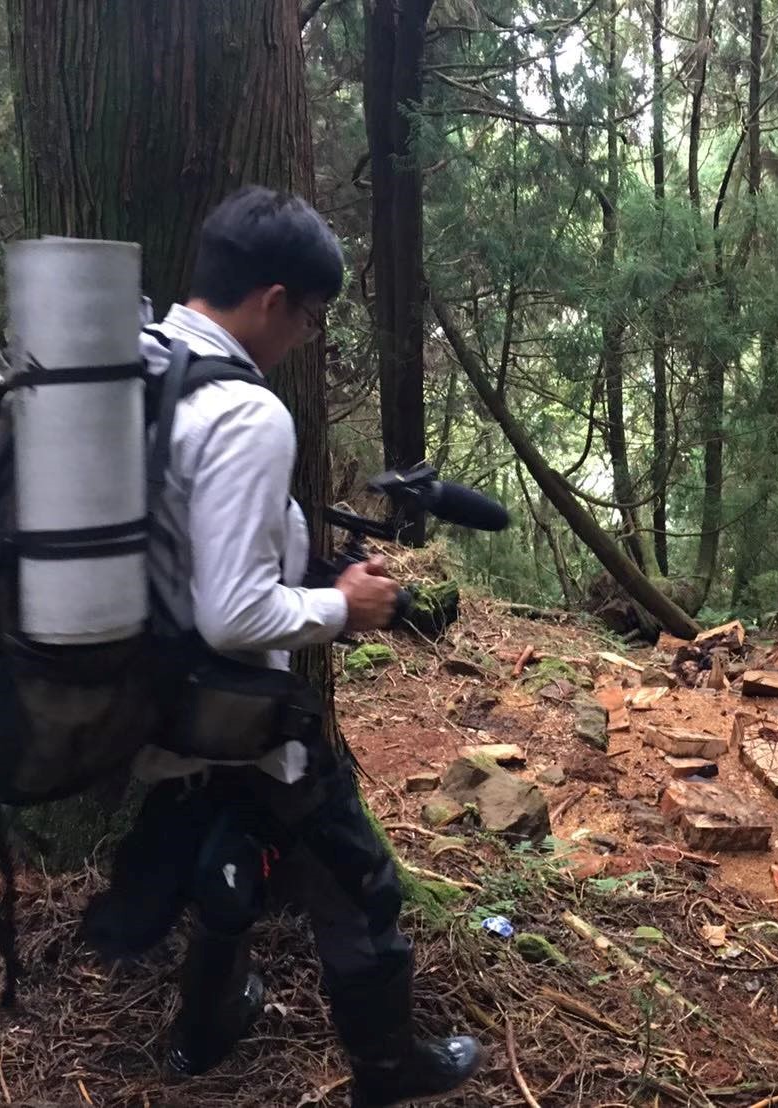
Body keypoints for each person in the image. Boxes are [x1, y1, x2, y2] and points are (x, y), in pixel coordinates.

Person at [84, 187, 480, 1105]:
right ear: (271, 299)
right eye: (307, 317)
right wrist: (343, 606)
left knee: (230, 856)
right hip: (228, 702)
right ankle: (388, 1072)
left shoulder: (134, 358)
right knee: (357, 877)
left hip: (141, 693)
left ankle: (202, 1030)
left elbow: (180, 530)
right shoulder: (246, 413)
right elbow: (234, 614)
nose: (305, 336)